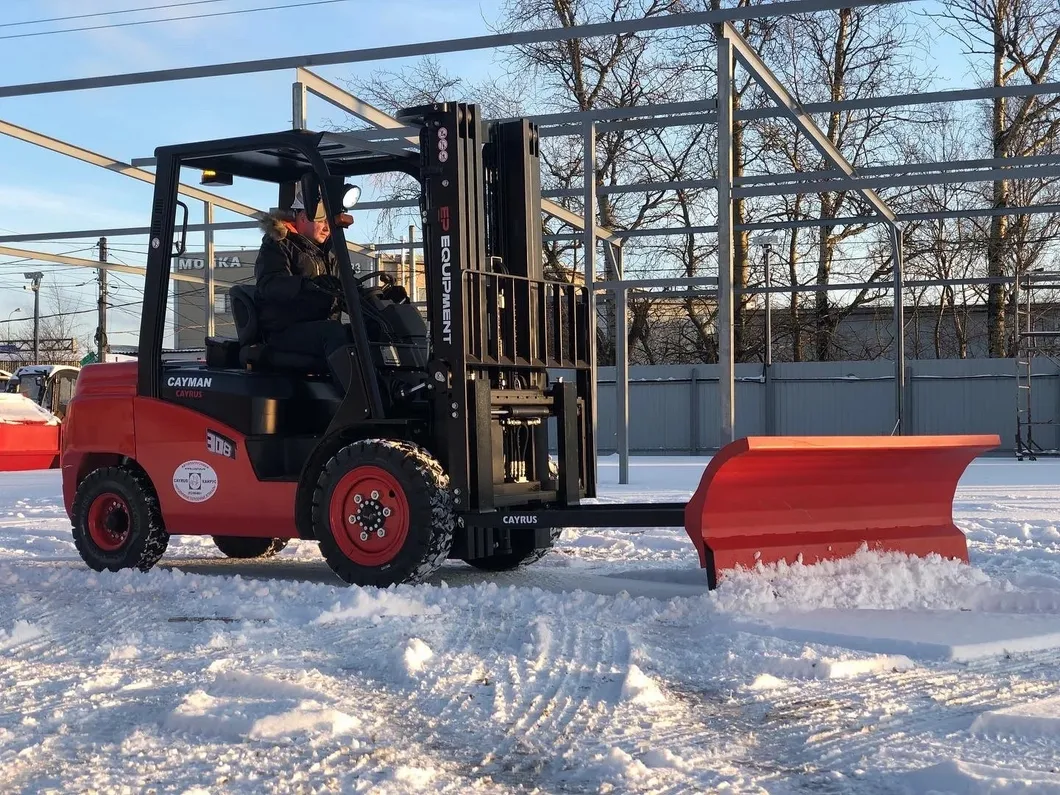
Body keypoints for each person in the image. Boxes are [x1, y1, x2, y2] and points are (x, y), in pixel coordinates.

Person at [253, 184, 351, 384]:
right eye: (322, 221)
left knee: (365, 331)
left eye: (329, 222)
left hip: (319, 327)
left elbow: (342, 287)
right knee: (333, 333)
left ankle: (384, 397)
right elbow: (270, 285)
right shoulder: (278, 245)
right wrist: (307, 284)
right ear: (304, 217)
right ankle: (355, 399)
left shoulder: (328, 252)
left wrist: (375, 299)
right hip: (285, 330)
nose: (327, 227)